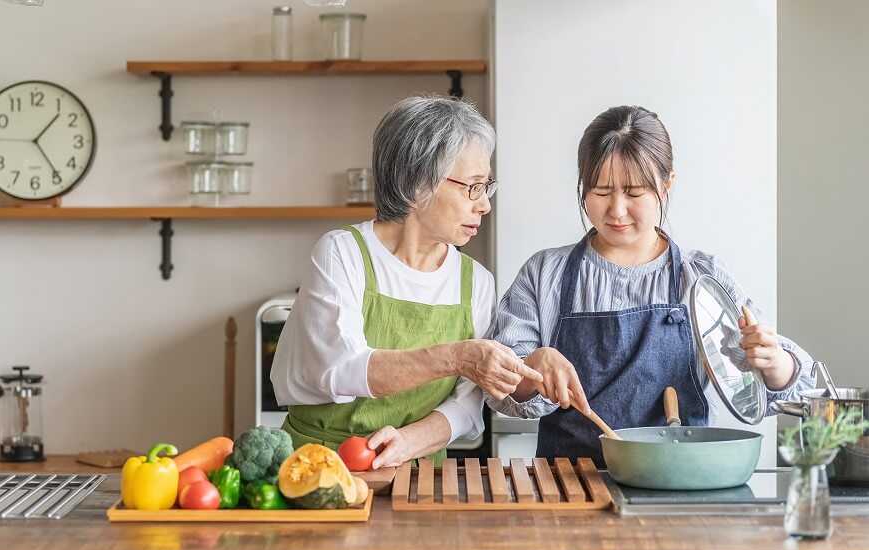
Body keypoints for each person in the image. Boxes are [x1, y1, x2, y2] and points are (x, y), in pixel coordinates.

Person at [487, 105, 814, 465]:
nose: (617, 209)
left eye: (635, 192)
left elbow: (778, 389)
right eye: (601, 190)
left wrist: (774, 363)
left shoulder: (702, 278)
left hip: (678, 485)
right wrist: (533, 365)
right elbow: (502, 391)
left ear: (666, 184)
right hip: (569, 487)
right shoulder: (545, 273)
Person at [271, 96, 542, 469]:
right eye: (472, 187)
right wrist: (458, 357)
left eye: (486, 187)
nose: (484, 206)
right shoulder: (342, 253)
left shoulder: (475, 281)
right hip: (317, 464)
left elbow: (467, 404)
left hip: (419, 472)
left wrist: (409, 441)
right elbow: (342, 369)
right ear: (414, 184)